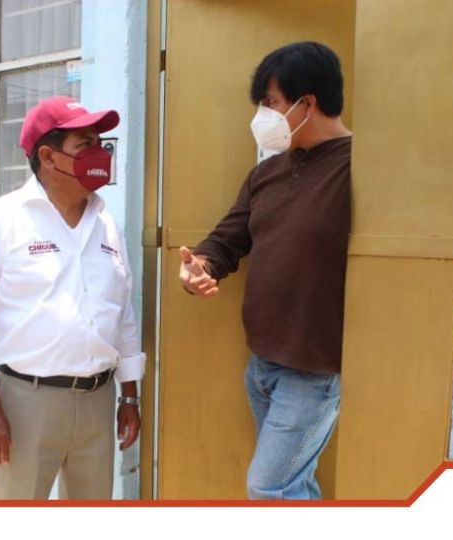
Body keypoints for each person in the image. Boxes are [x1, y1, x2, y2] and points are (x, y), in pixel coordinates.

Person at [179, 42, 352, 500]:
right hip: (263, 363)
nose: (263, 116)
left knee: (270, 486)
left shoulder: (359, 169)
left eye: (270, 103)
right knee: (293, 484)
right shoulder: (268, 173)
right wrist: (201, 266)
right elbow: (227, 239)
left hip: (314, 369)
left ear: (307, 103)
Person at [0, 96, 144, 500]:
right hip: (26, 403)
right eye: (85, 144)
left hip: (98, 401)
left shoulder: (106, 224)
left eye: (100, 142)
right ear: (48, 156)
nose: (99, 154)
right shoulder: (0, 219)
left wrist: (129, 395)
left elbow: (122, 315)